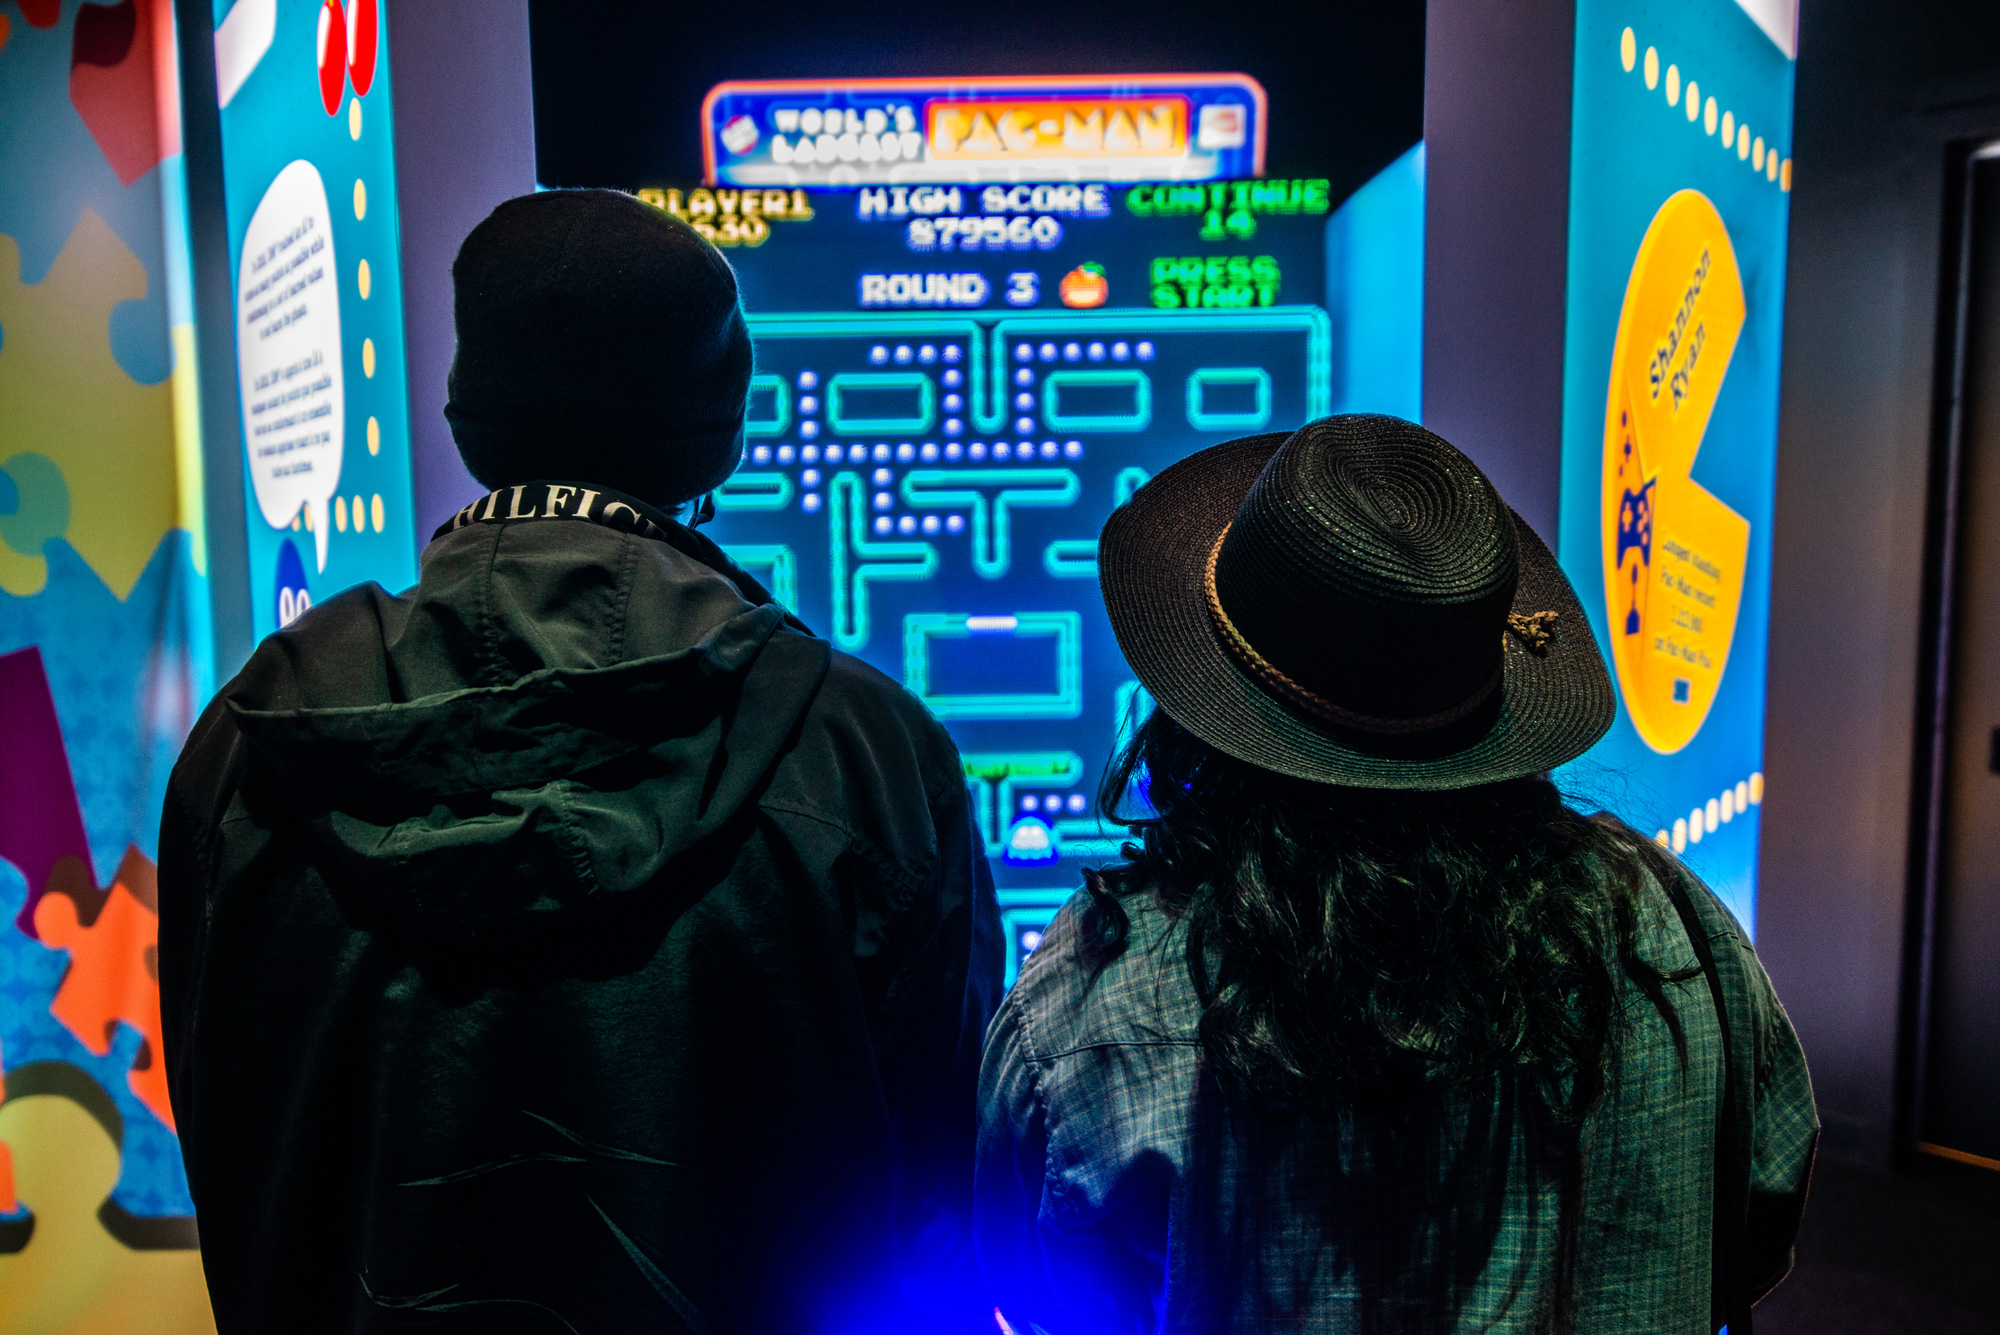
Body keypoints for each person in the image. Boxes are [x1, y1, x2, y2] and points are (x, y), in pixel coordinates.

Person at [158, 189, 1002, 1334]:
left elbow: (232, 1159)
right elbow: (937, 1218)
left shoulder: (249, 746)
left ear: (467, 420)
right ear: (715, 437)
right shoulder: (865, 753)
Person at [976, 416, 1817, 1334]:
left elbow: (1038, 1292)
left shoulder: (1101, 992)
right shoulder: (1674, 929)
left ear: (1204, 706)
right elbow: (1757, 1218)